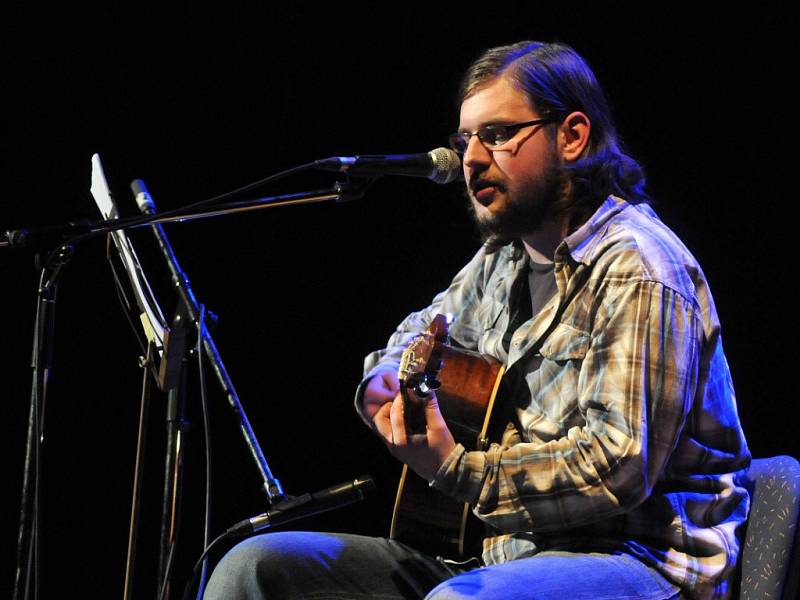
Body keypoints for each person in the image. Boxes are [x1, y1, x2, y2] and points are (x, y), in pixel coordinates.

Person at [204, 41, 750, 600]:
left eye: (497, 134)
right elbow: (418, 331)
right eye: (465, 140)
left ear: (573, 136)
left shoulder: (639, 268)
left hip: (638, 560)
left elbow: (616, 466)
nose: (470, 159)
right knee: (254, 569)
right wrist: (386, 383)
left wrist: (456, 467)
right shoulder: (503, 257)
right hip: (496, 557)